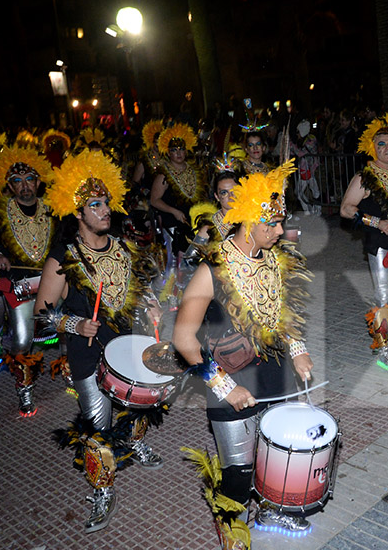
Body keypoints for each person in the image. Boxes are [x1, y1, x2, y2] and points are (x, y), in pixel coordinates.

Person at [172, 160, 315, 550]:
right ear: (248, 221)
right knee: (238, 468)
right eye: (272, 224)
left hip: (274, 372)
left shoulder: (276, 257)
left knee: (275, 453)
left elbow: (285, 313)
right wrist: (223, 386)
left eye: (281, 223)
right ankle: (230, 522)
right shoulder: (212, 269)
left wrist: (298, 349)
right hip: (227, 376)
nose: (280, 232)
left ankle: (269, 507)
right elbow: (184, 339)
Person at [34, 149, 164, 533]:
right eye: (95, 205)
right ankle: (103, 490)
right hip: (89, 358)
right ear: (78, 213)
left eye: (106, 202)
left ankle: (136, 444)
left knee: (141, 404)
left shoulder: (123, 247)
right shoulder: (63, 257)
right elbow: (42, 316)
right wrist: (75, 325)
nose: (105, 210)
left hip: (130, 345)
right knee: (96, 427)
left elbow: (138, 289)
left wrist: (152, 304)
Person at [0, 141, 56, 415]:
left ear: (39, 181)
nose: (24, 186)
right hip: (20, 285)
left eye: (29, 179)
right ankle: (25, 390)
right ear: (9, 186)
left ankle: (70, 374)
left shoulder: (54, 208)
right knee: (22, 340)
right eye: (17, 181)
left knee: (67, 331)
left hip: (54, 282)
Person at [339, 115, 388, 370]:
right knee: (383, 296)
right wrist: (375, 221)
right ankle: (383, 348)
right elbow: (346, 209)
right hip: (380, 244)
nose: (387, 148)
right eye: (381, 143)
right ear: (373, 147)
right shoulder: (365, 177)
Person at [149, 123, 208, 256]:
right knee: (174, 260)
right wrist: (174, 211)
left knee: (195, 257)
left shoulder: (194, 170)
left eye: (181, 149)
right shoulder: (163, 174)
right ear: (168, 153)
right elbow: (154, 200)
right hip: (172, 224)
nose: (178, 153)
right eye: (174, 150)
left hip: (192, 223)